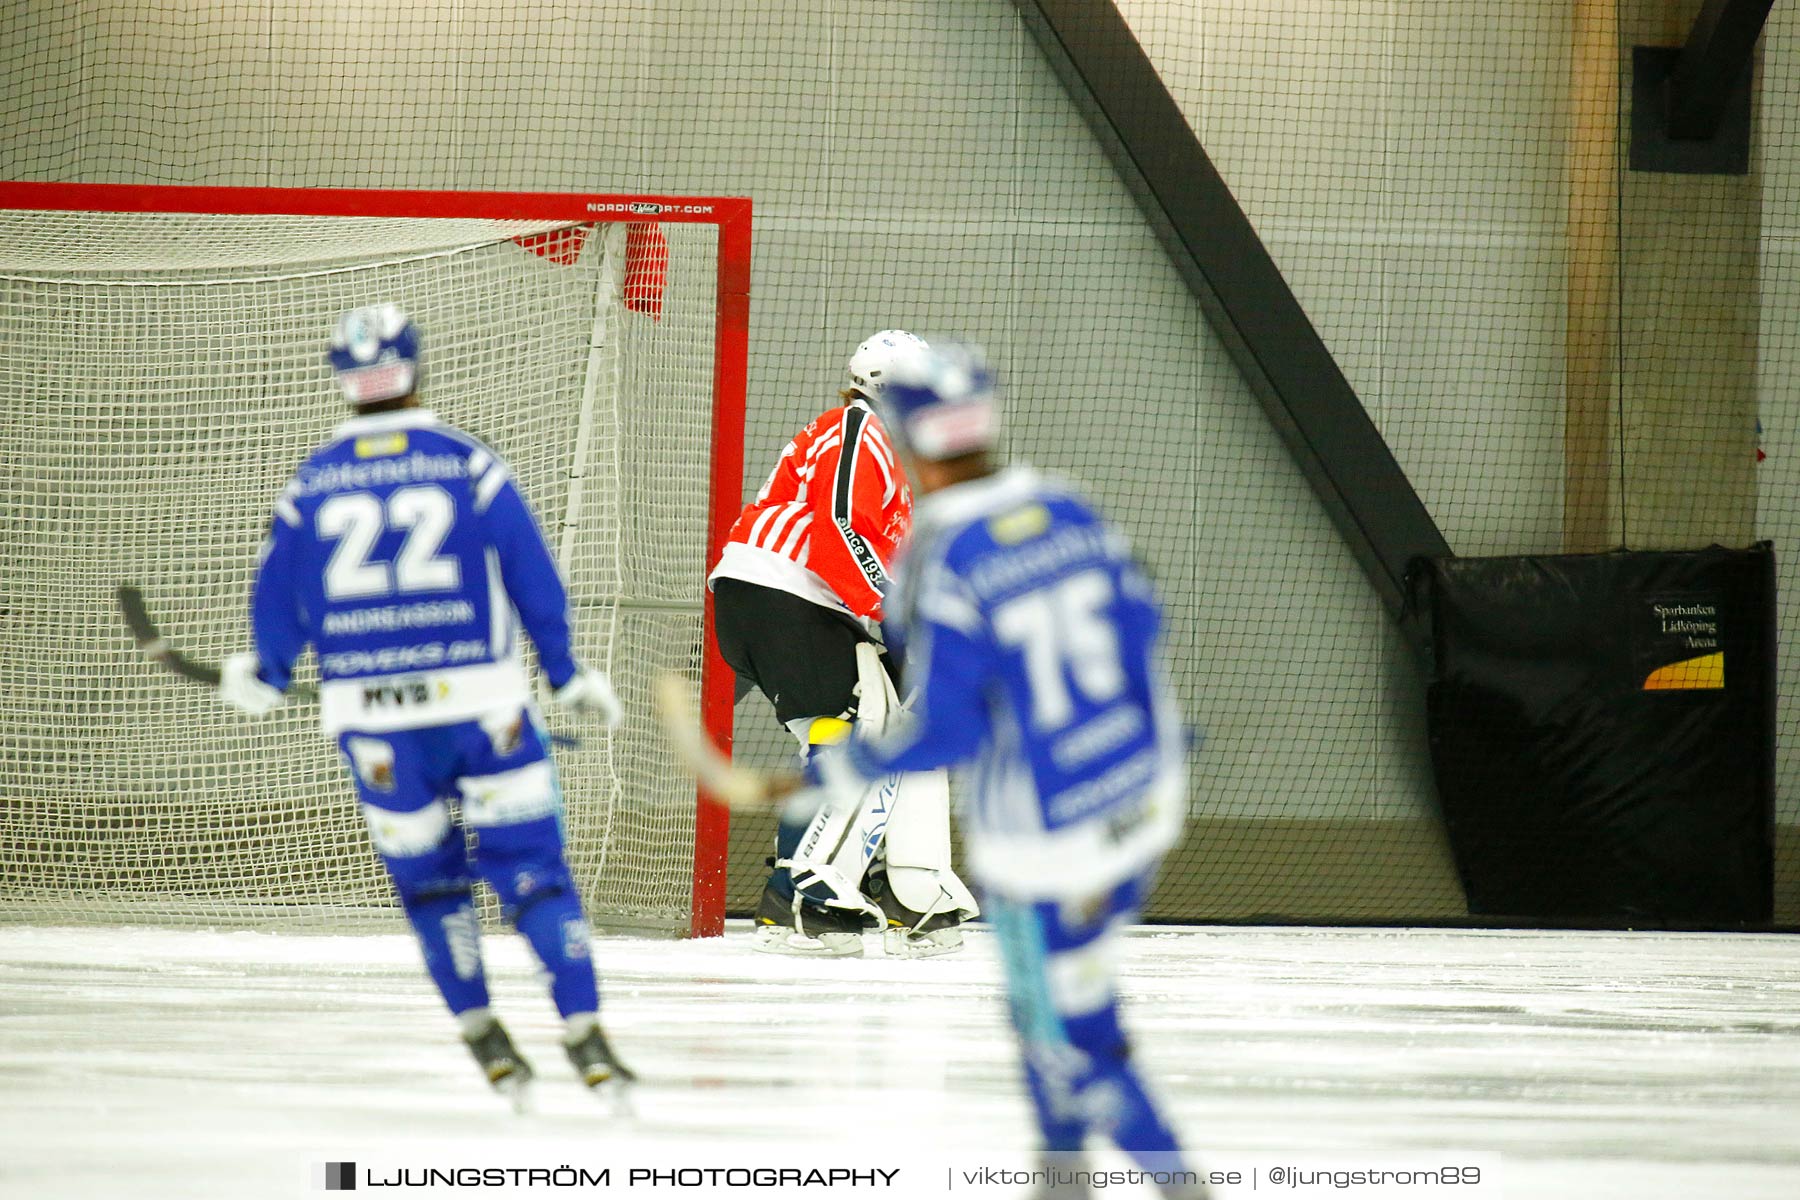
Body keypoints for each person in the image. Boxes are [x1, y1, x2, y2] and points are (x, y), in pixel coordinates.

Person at [217, 303, 633, 1106]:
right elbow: (530, 571)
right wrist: (566, 670)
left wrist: (266, 672)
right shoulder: (465, 461)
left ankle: (483, 1031)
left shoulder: (310, 483)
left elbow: (280, 598)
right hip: (486, 710)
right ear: (417, 366)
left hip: (375, 727)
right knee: (534, 875)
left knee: (433, 887)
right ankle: (585, 1034)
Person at [812, 342, 1202, 1196]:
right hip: (1143, 802)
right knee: (1052, 1016)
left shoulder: (941, 553)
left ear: (911, 435)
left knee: (1063, 1030)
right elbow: (1148, 626)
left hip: (1046, 839)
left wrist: (851, 767)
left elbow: (947, 728)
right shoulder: (1071, 509)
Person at [708, 330, 978, 958]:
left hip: (793, 601)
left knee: (880, 728)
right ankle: (808, 892)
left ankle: (898, 886)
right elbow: (838, 525)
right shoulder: (862, 428)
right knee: (861, 729)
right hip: (784, 593)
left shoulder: (898, 454)